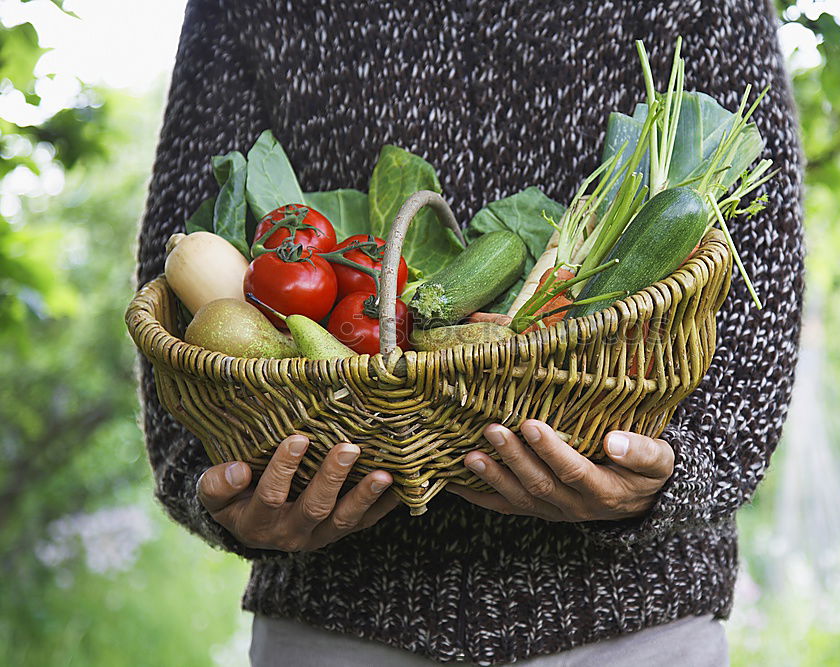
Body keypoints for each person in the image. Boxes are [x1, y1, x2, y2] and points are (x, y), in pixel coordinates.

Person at [136, 1, 804, 665]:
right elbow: (174, 286)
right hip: (343, 620)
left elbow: (762, 263)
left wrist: (683, 471)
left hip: (631, 622)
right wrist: (221, 490)